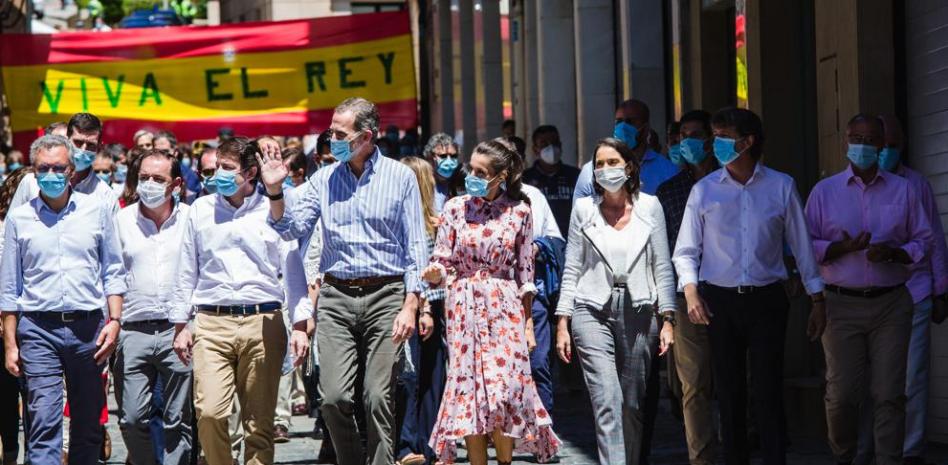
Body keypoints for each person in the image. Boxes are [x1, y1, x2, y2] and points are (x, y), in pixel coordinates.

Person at [262, 98, 426, 465]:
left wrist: (411, 306)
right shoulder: (323, 179)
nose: (331, 138)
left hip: (386, 295)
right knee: (334, 397)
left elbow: (416, 245)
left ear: (365, 136)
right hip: (336, 295)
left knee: (377, 396)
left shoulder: (401, 178)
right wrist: (275, 190)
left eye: (339, 133)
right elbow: (291, 226)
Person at [672, 107, 826, 465]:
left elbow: (803, 248)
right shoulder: (704, 191)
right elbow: (685, 250)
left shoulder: (781, 186)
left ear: (748, 141)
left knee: (768, 389)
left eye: (724, 136)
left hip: (767, 300)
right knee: (729, 391)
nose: (717, 143)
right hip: (720, 302)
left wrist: (818, 299)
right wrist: (691, 290)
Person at [169, 137, 311, 465]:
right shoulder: (201, 210)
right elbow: (186, 268)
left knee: (258, 423)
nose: (218, 173)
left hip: (263, 322)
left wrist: (300, 324)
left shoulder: (273, 210)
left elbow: (292, 270)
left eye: (227, 168)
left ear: (249, 174)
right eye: (217, 166)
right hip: (211, 322)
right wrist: (180, 324)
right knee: (210, 413)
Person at [805, 114, 933, 465]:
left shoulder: (904, 189)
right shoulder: (824, 192)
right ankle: (843, 454)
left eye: (870, 139)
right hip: (840, 305)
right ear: (846, 141)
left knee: (890, 394)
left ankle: (888, 459)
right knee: (843, 395)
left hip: (891, 303)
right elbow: (804, 246)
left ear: (881, 145)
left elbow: (924, 240)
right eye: (855, 137)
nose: (862, 144)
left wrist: (894, 253)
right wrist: (838, 249)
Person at [423, 139, 560, 465]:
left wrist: (528, 324)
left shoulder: (520, 212)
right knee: (470, 394)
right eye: (471, 168)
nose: (472, 175)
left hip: (504, 307)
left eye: (481, 172)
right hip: (464, 307)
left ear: (501, 176)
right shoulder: (455, 208)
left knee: (504, 392)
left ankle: (504, 461)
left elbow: (525, 275)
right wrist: (435, 272)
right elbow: (443, 258)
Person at [0, 134, 126, 465]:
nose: (52, 174)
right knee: (43, 421)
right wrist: (11, 344)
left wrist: (114, 322)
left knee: (88, 425)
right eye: (44, 168)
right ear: (33, 171)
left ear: (71, 169)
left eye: (58, 167)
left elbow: (113, 270)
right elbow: (10, 285)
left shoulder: (97, 211)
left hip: (89, 330)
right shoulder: (19, 218)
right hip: (38, 330)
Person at [554, 137, 675, 465]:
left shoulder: (650, 207)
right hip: (590, 309)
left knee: (632, 404)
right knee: (606, 400)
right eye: (600, 164)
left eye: (612, 162)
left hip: (640, 310)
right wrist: (562, 321)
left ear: (629, 166)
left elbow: (662, 265)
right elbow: (572, 266)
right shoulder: (584, 209)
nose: (605, 169)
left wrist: (668, 319)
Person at [851, 115, 948, 465]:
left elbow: (932, 238)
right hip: (865, 297)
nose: (886, 151)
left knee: (911, 378)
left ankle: (909, 450)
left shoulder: (915, 185)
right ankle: (866, 449)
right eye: (881, 145)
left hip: (913, 291)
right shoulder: (842, 187)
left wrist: (940, 290)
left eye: (893, 145)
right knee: (866, 383)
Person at [115, 150, 193, 465]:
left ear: (175, 183)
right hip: (133, 330)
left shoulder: (191, 218)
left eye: (157, 178)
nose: (148, 184)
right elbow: (110, 275)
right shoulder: (121, 220)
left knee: (178, 419)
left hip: (180, 330)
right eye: (144, 177)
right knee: (132, 418)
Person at [655, 110, 719, 465]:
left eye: (697, 134)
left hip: (729, 293)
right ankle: (702, 456)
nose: (689, 142)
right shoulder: (669, 191)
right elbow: (663, 252)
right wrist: (666, 307)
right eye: (683, 135)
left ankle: (740, 438)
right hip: (684, 297)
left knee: (736, 376)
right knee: (693, 383)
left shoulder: (731, 183)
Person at [395, 156, 443, 465]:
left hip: (434, 302)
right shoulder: (400, 221)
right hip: (408, 302)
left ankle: (430, 444)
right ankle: (407, 445)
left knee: (432, 378)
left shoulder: (435, 222)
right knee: (409, 375)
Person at [573, 99, 679, 201]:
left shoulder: (667, 171)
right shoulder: (592, 170)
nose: (623, 127)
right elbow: (579, 215)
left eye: (630, 121)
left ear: (646, 129)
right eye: (618, 122)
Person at [10, 113, 117, 212]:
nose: (83, 149)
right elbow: (11, 227)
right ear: (66, 141)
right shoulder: (31, 183)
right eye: (78, 143)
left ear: (99, 147)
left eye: (90, 145)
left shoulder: (105, 195)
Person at [0, 166, 33, 465]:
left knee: (31, 393)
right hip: (6, 322)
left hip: (33, 323)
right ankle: (10, 452)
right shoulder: (3, 228)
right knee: (7, 393)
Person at [523, 125, 582, 239]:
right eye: (544, 144)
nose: (551, 148)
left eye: (554, 143)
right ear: (535, 149)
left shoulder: (575, 176)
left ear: (560, 146)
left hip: (572, 242)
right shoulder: (526, 179)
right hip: (539, 245)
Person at [155, 131, 201, 204]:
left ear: (175, 152)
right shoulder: (147, 174)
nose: (161, 155)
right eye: (157, 151)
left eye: (165, 151)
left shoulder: (189, 175)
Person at [423, 133, 465, 211]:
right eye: (443, 156)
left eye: (453, 156)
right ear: (430, 157)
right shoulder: (423, 185)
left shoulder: (461, 183)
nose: (449, 161)